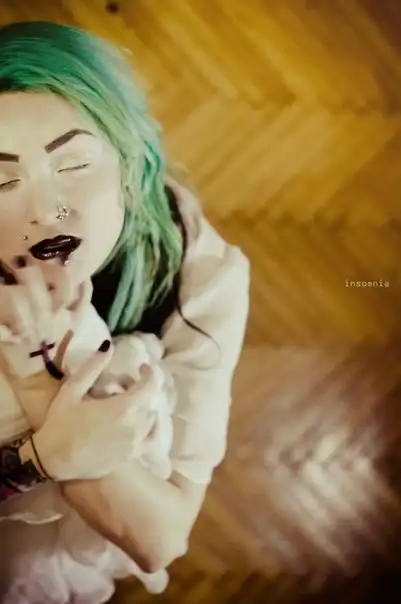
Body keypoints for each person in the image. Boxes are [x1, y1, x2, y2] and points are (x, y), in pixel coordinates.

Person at [0, 21, 250, 604]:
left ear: (129, 163)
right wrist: (39, 459)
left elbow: (161, 539)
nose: (47, 210)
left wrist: (40, 386)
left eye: (73, 166)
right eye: (3, 179)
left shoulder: (197, 273)